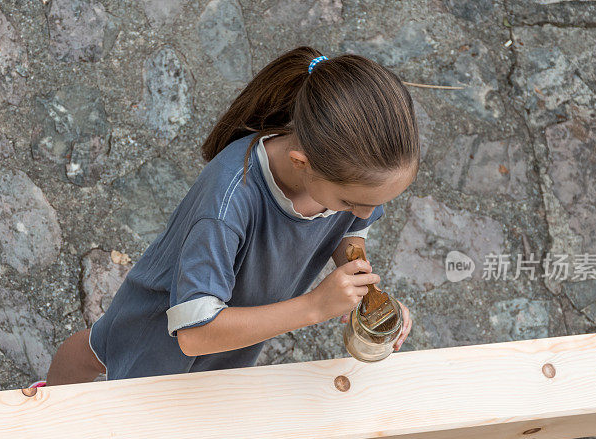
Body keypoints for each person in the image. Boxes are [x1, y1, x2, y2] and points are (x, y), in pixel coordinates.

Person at [32, 45, 418, 392]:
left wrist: (367, 291)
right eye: (352, 203)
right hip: (165, 325)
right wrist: (315, 306)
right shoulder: (228, 204)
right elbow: (194, 333)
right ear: (303, 163)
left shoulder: (339, 181)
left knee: (190, 392)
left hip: (239, 328)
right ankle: (51, 403)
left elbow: (350, 231)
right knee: (102, 348)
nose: (366, 214)